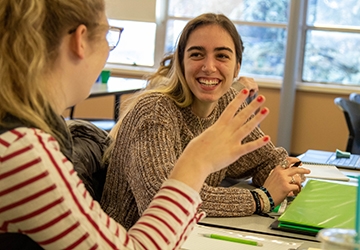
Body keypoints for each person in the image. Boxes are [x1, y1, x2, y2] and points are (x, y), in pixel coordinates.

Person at [0, 1, 274, 249]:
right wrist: (196, 162)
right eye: (109, 35)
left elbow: (264, 158)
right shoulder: (24, 152)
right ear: (80, 40)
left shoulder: (26, 137)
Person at [100, 12, 310, 230]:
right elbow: (162, 200)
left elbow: (264, 160)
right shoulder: (154, 111)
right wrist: (261, 199)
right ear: (181, 62)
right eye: (197, 54)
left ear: (237, 67)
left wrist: (285, 175)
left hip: (190, 235)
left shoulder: (227, 102)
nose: (209, 67)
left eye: (222, 56)